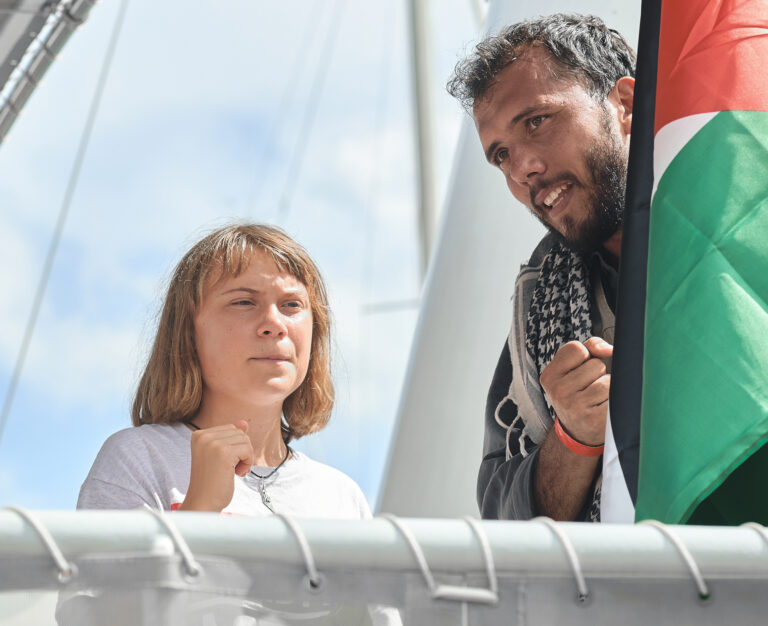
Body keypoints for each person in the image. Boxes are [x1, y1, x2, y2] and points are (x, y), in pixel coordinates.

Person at [447, 14, 636, 522]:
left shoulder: (742, 237)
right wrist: (573, 438)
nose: (522, 168)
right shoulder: (540, 304)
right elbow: (504, 524)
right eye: (500, 155)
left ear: (626, 106)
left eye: (537, 120)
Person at [78, 223, 366, 517]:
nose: (274, 324)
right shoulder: (138, 459)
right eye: (243, 302)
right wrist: (200, 507)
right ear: (188, 332)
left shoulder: (344, 498)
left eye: (292, 304)